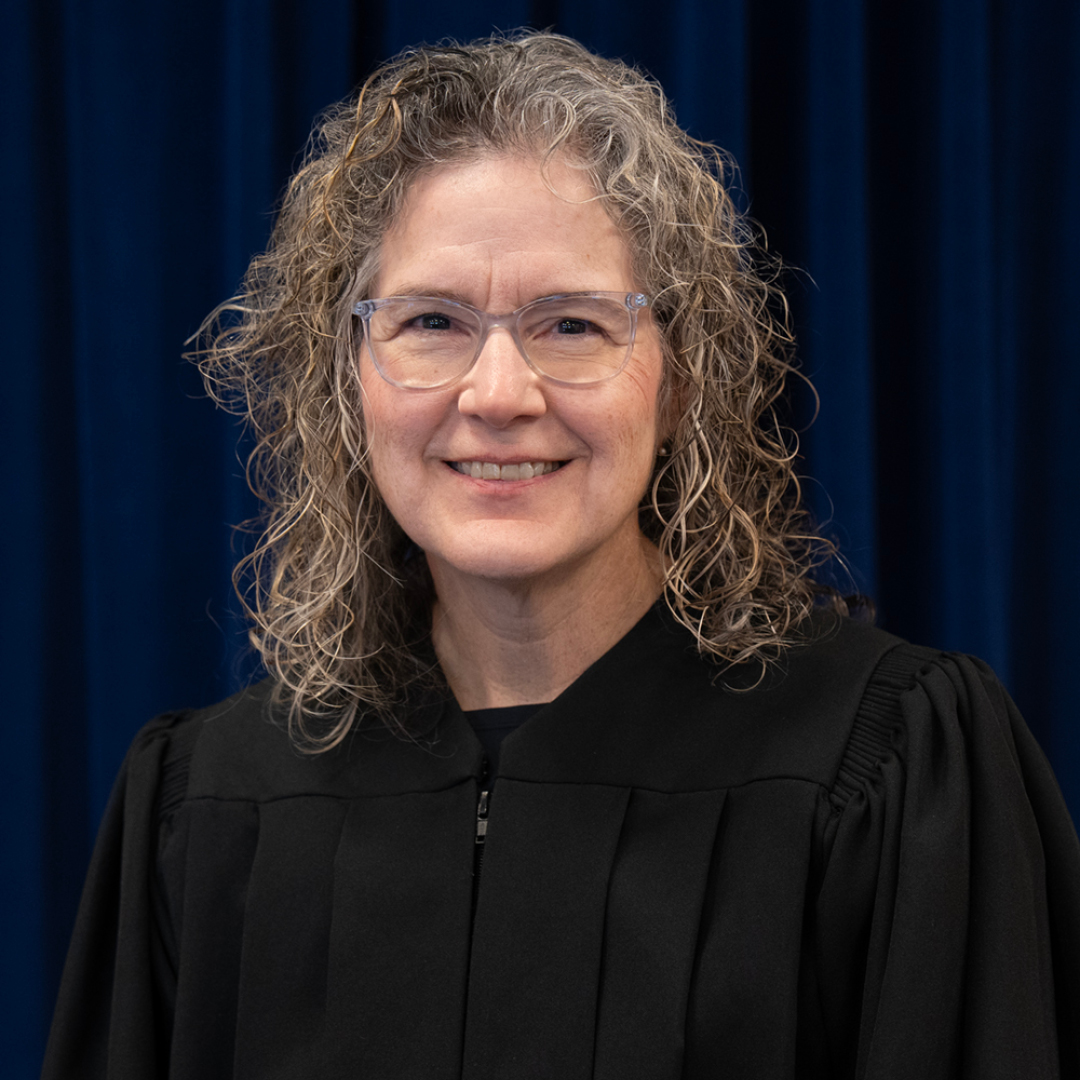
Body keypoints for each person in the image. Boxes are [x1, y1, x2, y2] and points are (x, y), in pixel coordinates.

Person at [43, 31, 1080, 1080]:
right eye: (433, 321)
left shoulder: (888, 769)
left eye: (574, 325)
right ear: (347, 383)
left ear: (678, 384)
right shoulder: (211, 807)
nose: (498, 394)